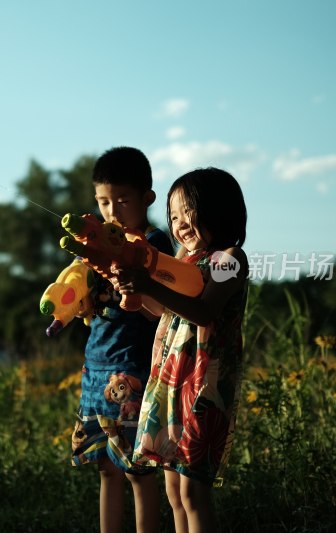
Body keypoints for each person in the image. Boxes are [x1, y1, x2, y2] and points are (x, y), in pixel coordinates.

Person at [114, 167, 248, 533]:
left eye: (186, 211)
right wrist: (135, 294)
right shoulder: (183, 259)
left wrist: (150, 286)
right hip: (172, 383)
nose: (178, 223)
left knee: (193, 491)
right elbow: (164, 310)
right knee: (173, 487)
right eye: (172, 215)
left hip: (205, 386)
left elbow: (205, 312)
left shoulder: (230, 258)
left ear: (219, 209)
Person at [70, 146, 174, 533]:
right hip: (95, 364)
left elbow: (161, 303)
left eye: (122, 201)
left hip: (132, 366)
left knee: (138, 470)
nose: (111, 212)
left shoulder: (154, 244)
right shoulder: (93, 244)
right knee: (106, 469)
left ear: (147, 197)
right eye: (102, 202)